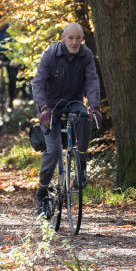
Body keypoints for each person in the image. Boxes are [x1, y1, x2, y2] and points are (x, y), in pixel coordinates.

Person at [31, 23, 102, 218]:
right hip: (50, 107)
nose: (74, 42)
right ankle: (42, 192)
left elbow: (92, 81)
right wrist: (43, 107)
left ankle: (81, 162)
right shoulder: (51, 53)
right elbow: (38, 82)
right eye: (70, 38)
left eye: (78, 38)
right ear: (63, 38)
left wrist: (94, 106)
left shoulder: (86, 55)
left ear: (82, 39)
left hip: (74, 102)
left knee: (85, 119)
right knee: (53, 151)